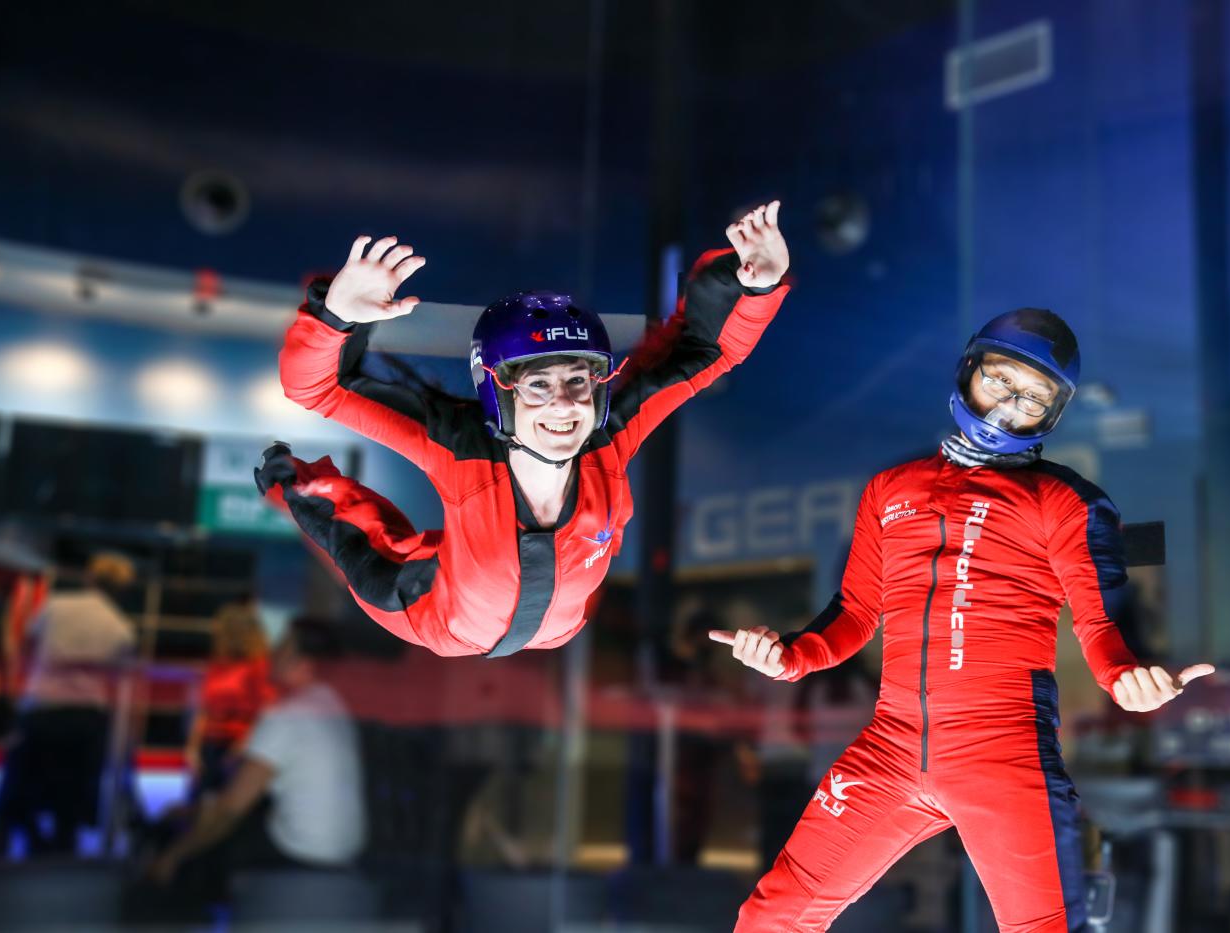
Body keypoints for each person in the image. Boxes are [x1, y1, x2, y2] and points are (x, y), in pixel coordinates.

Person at [712, 308, 1216, 932]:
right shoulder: (889, 489)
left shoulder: (1066, 501)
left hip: (1005, 754)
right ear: (969, 373)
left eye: (1034, 397)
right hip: (890, 749)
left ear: (1051, 415)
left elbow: (1100, 619)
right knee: (774, 915)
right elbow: (855, 613)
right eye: (1002, 380)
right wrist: (788, 657)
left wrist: (1127, 677)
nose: (1010, 404)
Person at [256, 201, 790, 657]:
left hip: (561, 628)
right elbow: (317, 388)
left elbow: (707, 351)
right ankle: (288, 487)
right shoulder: (459, 446)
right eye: (538, 385)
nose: (564, 404)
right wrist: (335, 317)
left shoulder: (608, 438)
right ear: (499, 389)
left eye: (579, 380)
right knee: (337, 519)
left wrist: (749, 283)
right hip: (442, 619)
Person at [145, 616, 365, 893]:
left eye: (283, 646)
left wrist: (171, 858)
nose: (272, 653)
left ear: (304, 664)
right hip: (343, 852)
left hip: (299, 856)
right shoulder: (334, 706)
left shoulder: (288, 715)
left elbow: (230, 809)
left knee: (191, 847)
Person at [0, 551, 137, 856]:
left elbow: (26, 649)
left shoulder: (55, 607)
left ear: (89, 577)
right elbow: (119, 683)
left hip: (41, 712)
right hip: (87, 722)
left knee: (12, 800)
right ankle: (58, 873)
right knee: (68, 809)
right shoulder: (121, 627)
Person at [185, 600, 274, 796]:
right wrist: (192, 748)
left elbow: (264, 714)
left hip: (237, 749)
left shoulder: (258, 666)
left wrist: (240, 750)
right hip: (209, 746)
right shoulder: (218, 664)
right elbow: (204, 709)